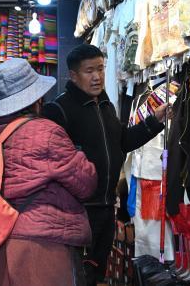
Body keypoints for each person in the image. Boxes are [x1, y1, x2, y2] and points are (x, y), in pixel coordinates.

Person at [42, 44, 171, 285]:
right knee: (76, 275)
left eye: (100, 69)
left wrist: (155, 121)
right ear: (73, 75)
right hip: (77, 211)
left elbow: (122, 142)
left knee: (95, 274)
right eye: (89, 71)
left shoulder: (105, 105)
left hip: (106, 207)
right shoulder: (58, 110)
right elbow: (51, 165)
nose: (97, 76)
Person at [0, 58, 97, 286]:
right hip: (41, 248)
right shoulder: (47, 132)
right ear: (35, 99)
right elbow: (86, 184)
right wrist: (80, 157)